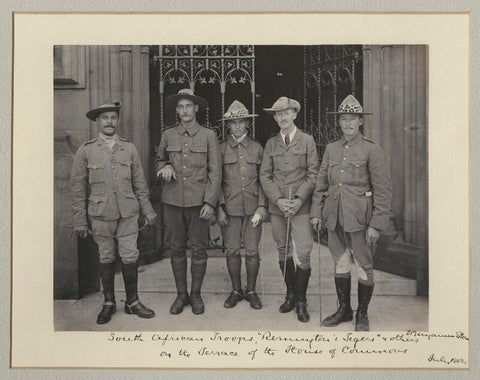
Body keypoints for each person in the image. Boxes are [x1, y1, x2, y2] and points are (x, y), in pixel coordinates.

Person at [310, 95, 392, 331]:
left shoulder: (371, 150)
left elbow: (383, 190)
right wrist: (317, 212)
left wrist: (376, 224)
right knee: (341, 262)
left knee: (364, 266)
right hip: (334, 217)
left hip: (359, 219)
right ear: (339, 122)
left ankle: (362, 313)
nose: (347, 124)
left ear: (360, 122)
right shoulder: (331, 149)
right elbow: (321, 184)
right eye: (343, 119)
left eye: (352, 119)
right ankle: (344, 309)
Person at [71, 100, 157, 324]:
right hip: (100, 215)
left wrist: (148, 211)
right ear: (97, 122)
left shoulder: (129, 148)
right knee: (106, 257)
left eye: (113, 117)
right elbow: (78, 188)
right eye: (105, 118)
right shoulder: (86, 150)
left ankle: (133, 302)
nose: (109, 122)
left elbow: (140, 183)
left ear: (118, 121)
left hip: (128, 214)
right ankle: (109, 302)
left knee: (130, 257)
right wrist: (80, 220)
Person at [154, 88, 221, 315]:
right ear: (177, 111)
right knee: (176, 248)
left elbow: (215, 172)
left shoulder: (208, 136)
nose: (184, 111)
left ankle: (196, 294)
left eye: (188, 106)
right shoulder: (168, 135)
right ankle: (181, 294)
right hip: (172, 202)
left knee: (200, 250)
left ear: (196, 109)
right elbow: (158, 161)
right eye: (180, 107)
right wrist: (166, 166)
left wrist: (210, 203)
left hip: (199, 203)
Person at [260, 97, 319, 322]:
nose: (283, 117)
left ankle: (302, 301)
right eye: (278, 114)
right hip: (278, 208)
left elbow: (314, 174)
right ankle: (291, 294)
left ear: (295, 114)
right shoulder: (271, 143)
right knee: (283, 250)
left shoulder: (307, 141)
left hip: (300, 207)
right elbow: (265, 175)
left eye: (287, 113)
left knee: (303, 253)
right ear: (275, 118)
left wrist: (298, 199)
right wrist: (277, 199)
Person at [216, 101, 268, 310]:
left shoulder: (257, 147)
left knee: (253, 251)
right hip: (230, 208)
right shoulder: (220, 149)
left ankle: (252, 291)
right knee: (232, 251)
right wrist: (219, 206)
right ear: (228, 125)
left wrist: (262, 206)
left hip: (253, 207)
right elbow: (215, 180)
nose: (237, 126)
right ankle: (236, 290)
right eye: (233, 122)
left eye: (241, 122)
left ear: (247, 123)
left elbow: (264, 178)